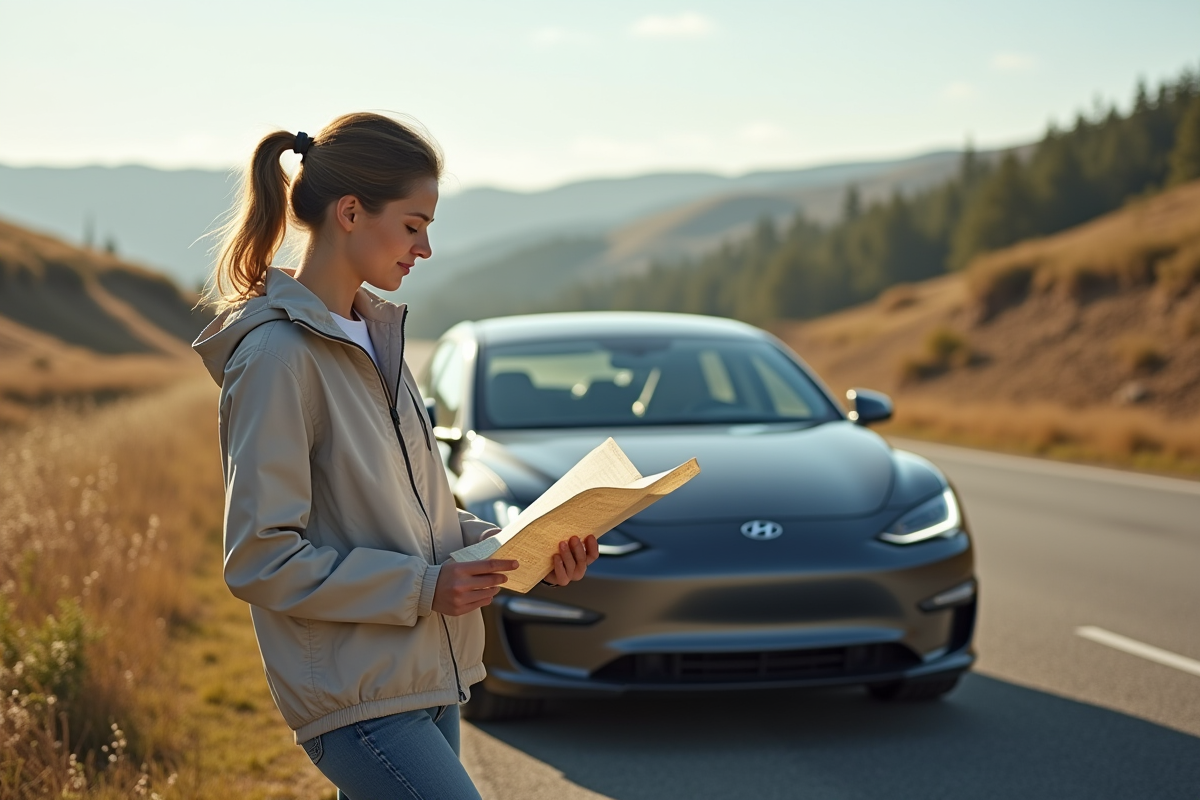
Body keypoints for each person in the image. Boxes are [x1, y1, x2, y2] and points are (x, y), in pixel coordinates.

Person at [192, 112, 599, 799]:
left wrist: (524, 548)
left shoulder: (379, 338)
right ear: (351, 212)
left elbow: (418, 518)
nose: (426, 248)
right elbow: (260, 558)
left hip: (428, 678)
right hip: (358, 696)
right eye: (414, 225)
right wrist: (422, 588)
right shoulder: (275, 358)